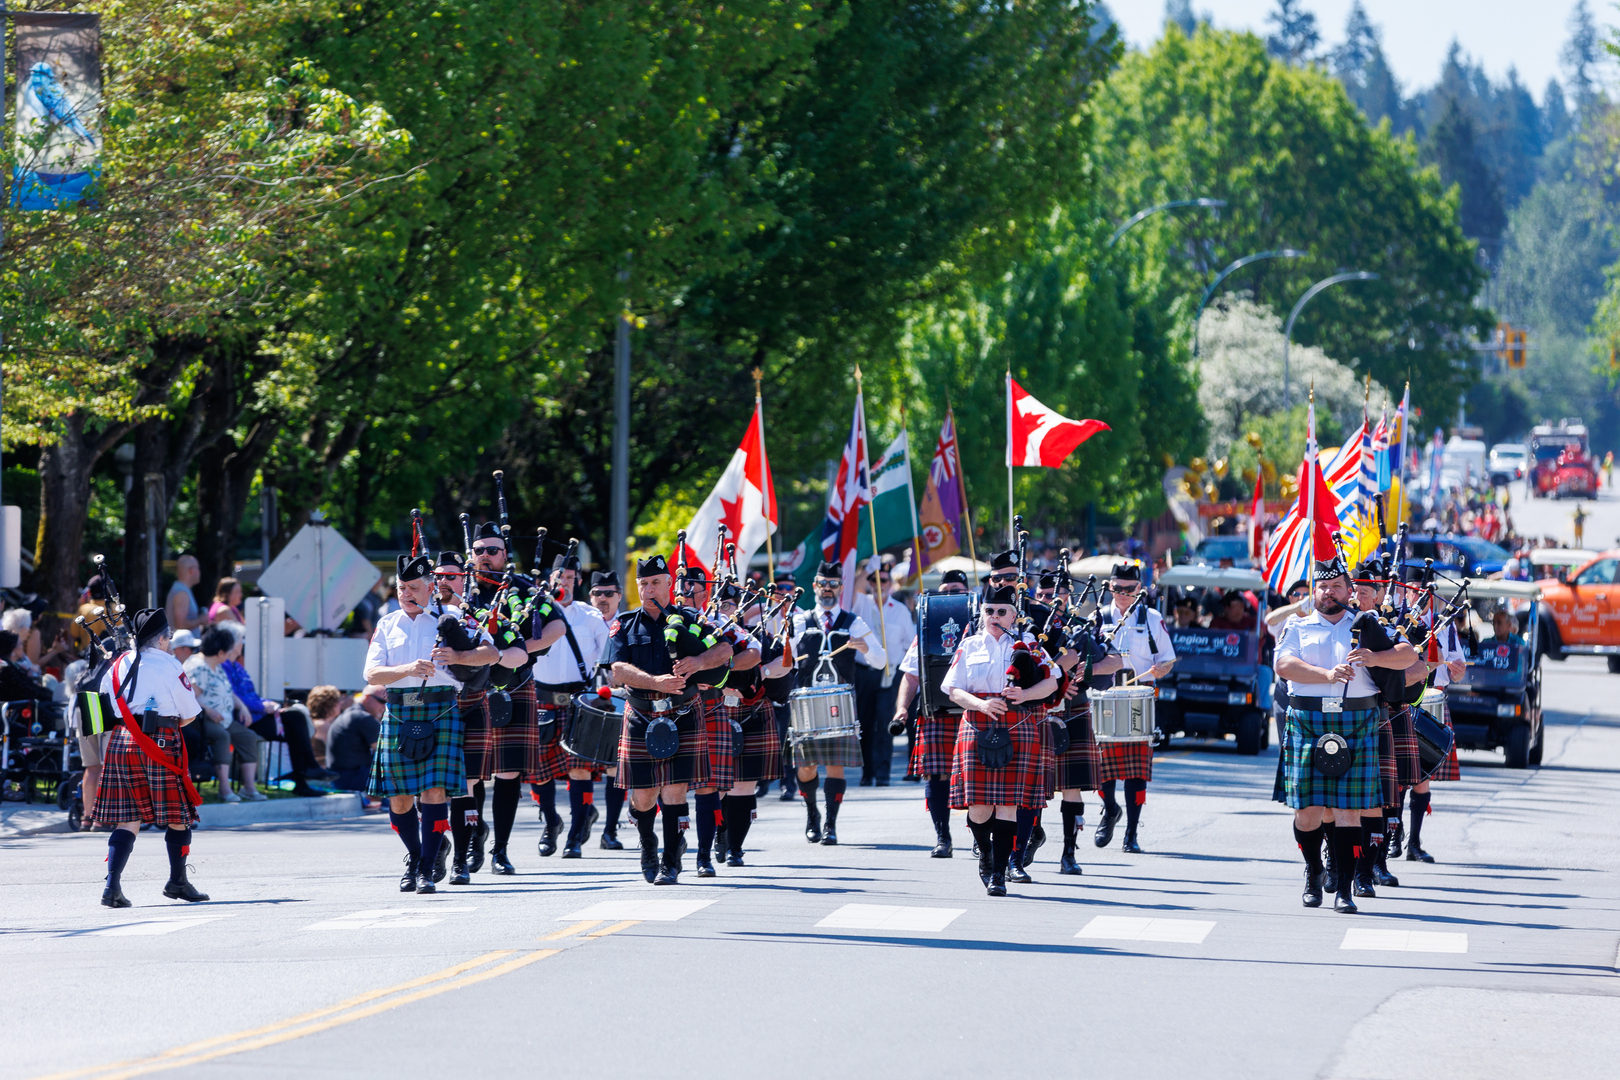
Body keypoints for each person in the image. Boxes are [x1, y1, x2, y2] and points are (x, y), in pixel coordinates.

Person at [1275, 558, 1415, 913]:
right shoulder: (1298, 625)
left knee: (1349, 811)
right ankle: (1313, 869)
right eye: (1322, 587)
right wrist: (1327, 675)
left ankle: (1345, 891)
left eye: (1336, 586)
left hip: (1357, 723)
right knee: (1307, 813)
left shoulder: (1367, 624)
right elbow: (1283, 665)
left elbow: (1408, 656)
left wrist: (1375, 656)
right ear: (1315, 590)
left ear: (1349, 591)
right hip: (1307, 722)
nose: (1328, 593)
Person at [363, 552, 498, 895]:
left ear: (429, 588)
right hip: (398, 712)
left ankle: (424, 869)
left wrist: (459, 656)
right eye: (400, 587)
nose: (404, 593)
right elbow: (371, 673)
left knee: (434, 791)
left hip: (440, 710)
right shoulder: (387, 624)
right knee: (398, 797)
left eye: (412, 587)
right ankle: (417, 854)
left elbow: (491, 654)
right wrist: (407, 670)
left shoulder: (451, 615)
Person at [604, 554, 734, 885]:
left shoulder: (689, 618)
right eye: (643, 584)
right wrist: (655, 682)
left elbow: (725, 650)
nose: (649, 589)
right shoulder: (625, 624)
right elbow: (617, 670)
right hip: (641, 713)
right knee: (644, 796)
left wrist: (699, 661)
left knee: (675, 792)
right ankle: (649, 845)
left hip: (684, 712)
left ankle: (670, 862)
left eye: (656, 583)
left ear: (669, 585)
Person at [942, 585, 1059, 896]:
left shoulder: (1028, 645)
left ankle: (998, 874)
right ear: (982, 614)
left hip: (1016, 722)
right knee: (979, 807)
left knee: (1007, 805)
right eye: (989, 611)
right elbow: (953, 689)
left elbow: (1052, 681)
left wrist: (1025, 694)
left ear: (1013, 615)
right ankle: (986, 853)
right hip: (977, 723)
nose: (995, 616)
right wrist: (980, 704)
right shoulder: (969, 646)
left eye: (1001, 611)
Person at [467, 523, 567, 874]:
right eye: (478, 550)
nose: (484, 557)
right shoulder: (461, 593)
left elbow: (557, 627)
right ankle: (473, 833)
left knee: (508, 773)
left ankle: (500, 851)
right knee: (472, 774)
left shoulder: (525, 588)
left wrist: (521, 649)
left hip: (515, 685)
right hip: (472, 689)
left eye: (491, 550)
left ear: (505, 554)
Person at [92, 609, 209, 907]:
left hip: (120, 741)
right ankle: (177, 881)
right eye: (169, 637)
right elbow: (191, 713)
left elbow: (103, 704)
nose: (169, 642)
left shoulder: (118, 664)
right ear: (160, 639)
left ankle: (112, 887)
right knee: (178, 816)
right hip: (160, 742)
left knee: (127, 817)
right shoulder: (169, 665)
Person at [790, 560, 885, 845]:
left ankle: (831, 824)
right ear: (815, 586)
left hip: (839, 706)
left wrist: (865, 646)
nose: (828, 589)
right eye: (823, 584)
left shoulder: (854, 622)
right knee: (805, 766)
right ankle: (812, 814)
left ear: (841, 588)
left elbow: (880, 662)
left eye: (833, 584)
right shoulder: (798, 621)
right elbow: (782, 659)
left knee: (834, 764)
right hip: (806, 704)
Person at [1092, 562, 1175, 853]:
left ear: (1139, 589)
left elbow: (1167, 658)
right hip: (1107, 700)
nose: (1123, 594)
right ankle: (1110, 809)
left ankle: (1131, 833)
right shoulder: (1098, 618)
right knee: (1103, 767)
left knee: (1136, 772)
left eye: (1130, 589)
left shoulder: (1151, 618)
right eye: (1117, 588)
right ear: (1110, 586)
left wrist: (1161, 669)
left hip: (1140, 698)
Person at [890, 568, 971, 856]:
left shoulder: (983, 624)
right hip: (935, 710)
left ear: (968, 593)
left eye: (957, 590)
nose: (951, 595)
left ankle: (980, 836)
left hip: (971, 712)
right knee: (936, 775)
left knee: (975, 774)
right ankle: (943, 838)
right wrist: (902, 708)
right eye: (946, 590)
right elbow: (911, 675)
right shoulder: (926, 630)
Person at [538, 552, 611, 860]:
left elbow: (609, 655)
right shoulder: (535, 609)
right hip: (541, 699)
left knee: (579, 771)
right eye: (559, 577)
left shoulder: (589, 615)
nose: (564, 582)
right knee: (538, 773)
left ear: (578, 581)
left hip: (578, 700)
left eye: (570, 578)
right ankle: (551, 821)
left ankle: (574, 836)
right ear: (550, 578)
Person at [216, 622, 331, 794]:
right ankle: (305, 776)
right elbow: (233, 696)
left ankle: (306, 773)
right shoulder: (223, 666)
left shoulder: (236, 666)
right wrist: (263, 706)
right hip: (244, 719)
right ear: (232, 643)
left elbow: (252, 695)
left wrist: (271, 704)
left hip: (255, 715)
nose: (243, 644)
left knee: (295, 717)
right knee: (294, 726)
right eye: (241, 640)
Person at [182, 627, 266, 802]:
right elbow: (188, 696)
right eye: (228, 651)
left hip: (224, 718)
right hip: (202, 720)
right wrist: (208, 710)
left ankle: (249, 788)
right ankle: (224, 788)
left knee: (249, 737)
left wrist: (242, 707)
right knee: (222, 737)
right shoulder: (198, 667)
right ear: (220, 652)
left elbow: (228, 691)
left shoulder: (216, 666)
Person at [855, 562, 914, 786]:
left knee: (885, 723)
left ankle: (882, 774)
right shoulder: (861, 604)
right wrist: (868, 567)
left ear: (891, 584)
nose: (879, 584)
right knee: (865, 724)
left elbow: (911, 645)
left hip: (891, 674)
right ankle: (867, 772)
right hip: (865, 672)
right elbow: (851, 589)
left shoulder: (899, 611)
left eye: (884, 580)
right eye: (874, 580)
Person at [586, 569, 629, 847]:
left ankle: (609, 831)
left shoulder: (627, 624)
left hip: (617, 702)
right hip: (584, 701)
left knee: (615, 768)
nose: (603, 598)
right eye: (597, 593)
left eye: (609, 593)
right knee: (579, 767)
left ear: (619, 596)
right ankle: (583, 817)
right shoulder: (577, 621)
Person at [329, 686, 385, 794]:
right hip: (353, 777)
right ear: (368, 697)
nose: (384, 706)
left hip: (340, 777)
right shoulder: (364, 718)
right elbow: (384, 753)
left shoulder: (351, 713)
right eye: (381, 701)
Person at [166, 555, 206, 633]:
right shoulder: (182, 593)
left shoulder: (182, 589)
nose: (199, 572)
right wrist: (201, 620)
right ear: (191, 570)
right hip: (182, 645)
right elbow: (180, 625)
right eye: (198, 568)